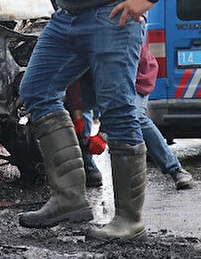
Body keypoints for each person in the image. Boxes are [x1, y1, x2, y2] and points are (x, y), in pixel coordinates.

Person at [18, 0, 185, 241]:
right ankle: (70, 199)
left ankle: (129, 220)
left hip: (113, 16)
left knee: (118, 108)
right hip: (67, 18)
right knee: (36, 90)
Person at [77, 43, 194, 190]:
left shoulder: (118, 34)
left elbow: (118, 101)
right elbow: (74, 89)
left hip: (134, 77)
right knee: (73, 109)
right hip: (96, 79)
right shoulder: (76, 36)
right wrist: (78, 119)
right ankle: (89, 168)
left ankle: (175, 169)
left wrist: (103, 134)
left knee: (134, 116)